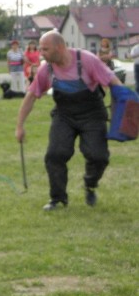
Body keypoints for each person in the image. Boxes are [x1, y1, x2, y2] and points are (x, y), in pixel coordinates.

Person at [15, 30, 122, 211]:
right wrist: (19, 126)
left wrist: (121, 112)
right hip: (64, 116)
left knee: (98, 156)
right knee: (55, 155)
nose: (41, 53)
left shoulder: (87, 60)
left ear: (60, 47)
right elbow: (31, 96)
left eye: (45, 49)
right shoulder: (46, 68)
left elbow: (114, 82)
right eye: (40, 49)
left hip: (92, 115)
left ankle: (90, 184)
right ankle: (57, 199)